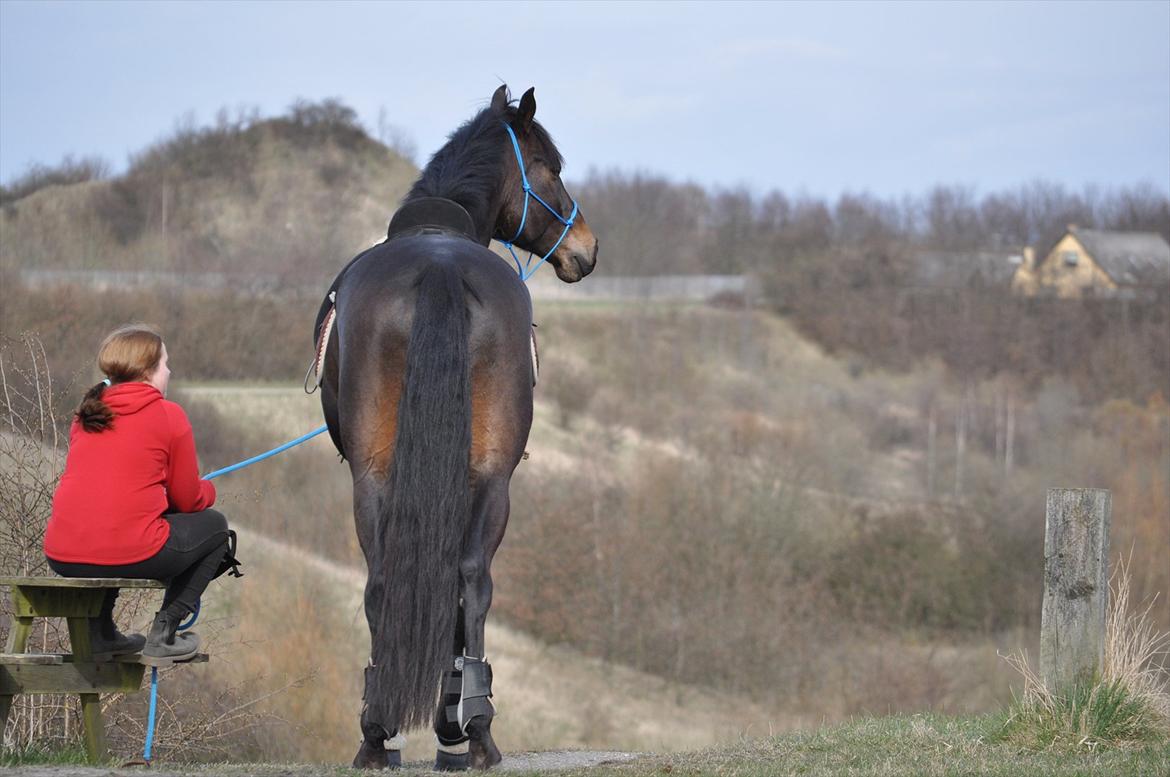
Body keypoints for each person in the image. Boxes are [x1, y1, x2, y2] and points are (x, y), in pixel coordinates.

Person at [44, 324, 235, 665]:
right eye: (165, 364)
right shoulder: (168, 415)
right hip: (128, 549)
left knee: (110, 523)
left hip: (61, 553)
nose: (169, 371)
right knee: (217, 528)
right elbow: (189, 501)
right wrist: (209, 488)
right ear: (147, 372)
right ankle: (165, 632)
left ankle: (99, 633)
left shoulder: (86, 414)